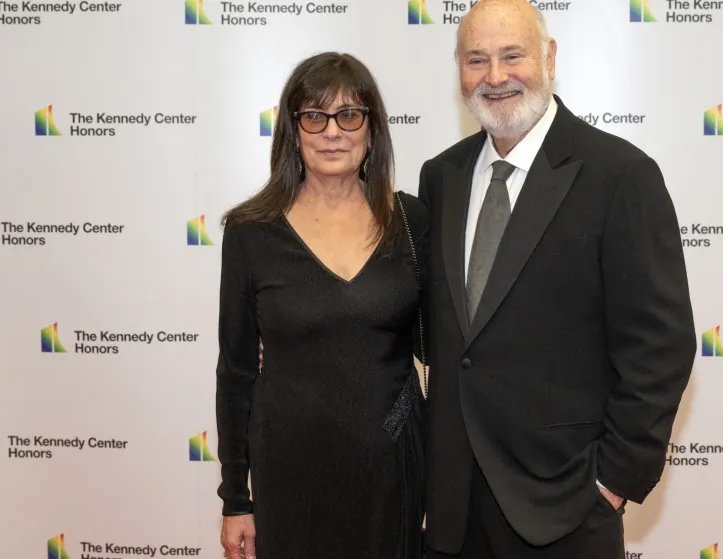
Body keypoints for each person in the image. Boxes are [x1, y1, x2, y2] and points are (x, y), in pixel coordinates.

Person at [417, 1, 697, 557]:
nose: (494, 77)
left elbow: (660, 347)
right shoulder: (440, 177)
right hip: (452, 514)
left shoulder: (620, 176)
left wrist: (611, 485)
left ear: (548, 57)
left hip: (565, 515)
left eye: (511, 55)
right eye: (476, 60)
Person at [215, 52, 427, 559]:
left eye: (349, 115)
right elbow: (237, 373)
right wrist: (234, 500)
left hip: (391, 471)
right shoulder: (251, 232)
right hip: (290, 476)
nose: (333, 131)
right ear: (294, 130)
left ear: (371, 130)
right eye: (315, 116)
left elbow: (445, 345)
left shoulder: (412, 220)